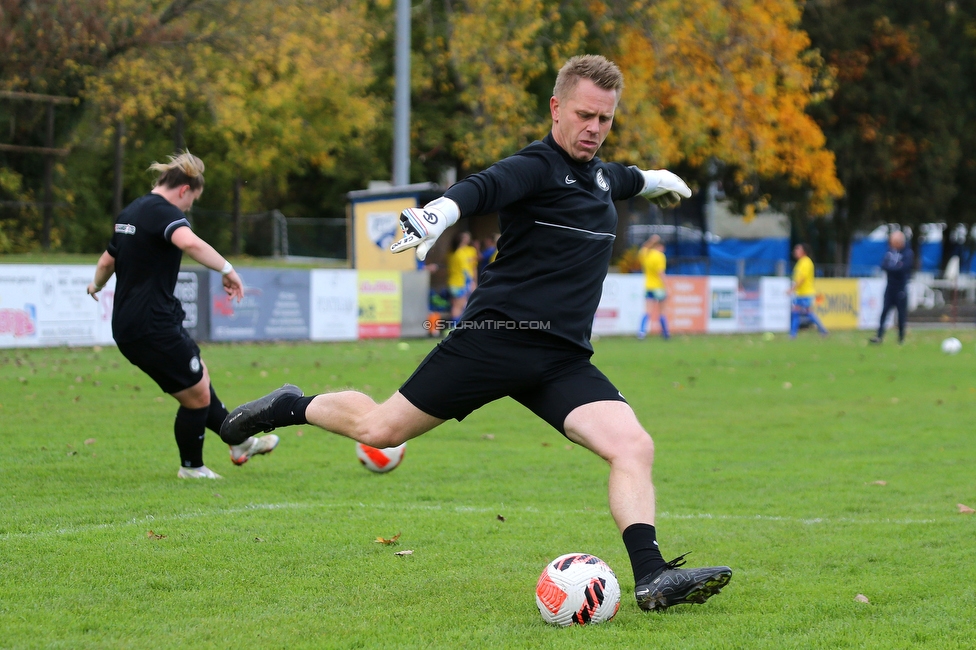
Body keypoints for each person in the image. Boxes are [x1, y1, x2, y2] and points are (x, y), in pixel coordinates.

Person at [221, 55, 731, 611]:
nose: (595, 129)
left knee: (634, 446)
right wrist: (436, 214)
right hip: (494, 342)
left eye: (606, 120)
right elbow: (484, 187)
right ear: (556, 108)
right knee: (381, 429)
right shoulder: (535, 167)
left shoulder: (603, 176)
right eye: (585, 115)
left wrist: (656, 181)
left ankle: (652, 576)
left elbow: (626, 179)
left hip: (561, 360)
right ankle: (290, 404)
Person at [86, 151, 280, 479]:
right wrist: (227, 269)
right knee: (196, 395)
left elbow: (107, 261)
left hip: (129, 325)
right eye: (193, 200)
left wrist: (95, 285)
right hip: (153, 324)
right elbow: (189, 243)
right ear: (183, 189)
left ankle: (239, 442)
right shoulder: (164, 213)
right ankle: (192, 467)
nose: (189, 208)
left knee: (198, 376)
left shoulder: (131, 211)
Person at [870, 231, 913, 344]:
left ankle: (901, 338)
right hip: (890, 287)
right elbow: (884, 265)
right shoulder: (889, 252)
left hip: (901, 288)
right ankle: (879, 336)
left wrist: (893, 268)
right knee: (884, 312)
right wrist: (894, 268)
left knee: (901, 314)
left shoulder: (907, 253)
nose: (892, 244)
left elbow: (904, 268)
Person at [789, 243, 828, 338]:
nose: (795, 251)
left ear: (804, 251)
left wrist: (792, 289)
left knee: (808, 313)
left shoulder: (807, 262)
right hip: (799, 294)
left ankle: (823, 330)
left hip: (807, 293)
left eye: (797, 249)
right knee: (795, 313)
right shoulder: (800, 263)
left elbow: (802, 278)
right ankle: (792, 335)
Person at [637, 235, 670, 340]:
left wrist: (651, 240)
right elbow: (661, 273)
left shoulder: (647, 254)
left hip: (648, 286)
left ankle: (641, 332)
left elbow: (643, 248)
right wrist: (667, 287)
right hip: (658, 287)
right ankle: (665, 334)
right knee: (662, 310)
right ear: (660, 246)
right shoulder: (660, 256)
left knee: (647, 311)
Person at [445, 231, 479, 322]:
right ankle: (455, 326)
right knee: (459, 306)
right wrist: (471, 282)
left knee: (455, 305)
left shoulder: (452, 253)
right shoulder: (461, 254)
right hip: (460, 283)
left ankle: (453, 326)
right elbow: (465, 271)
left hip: (452, 282)